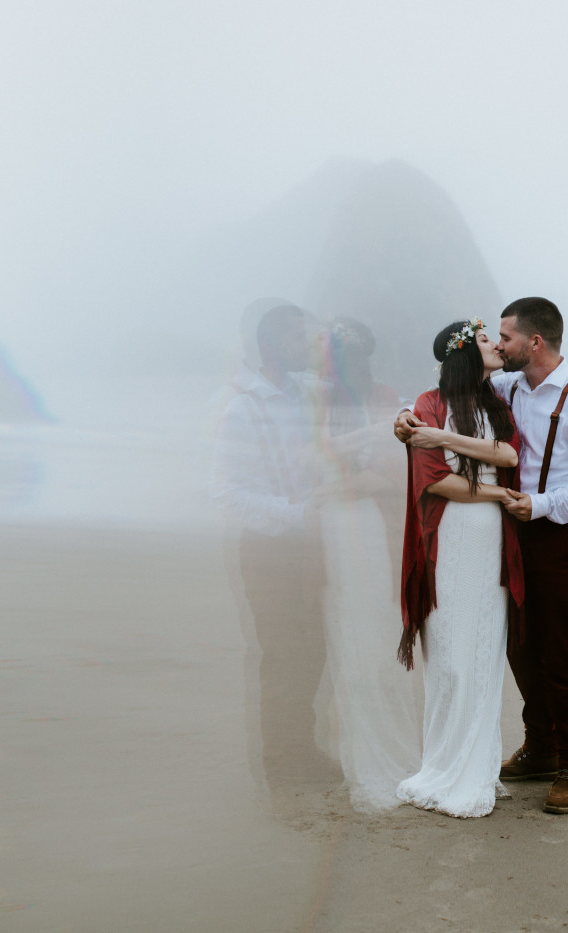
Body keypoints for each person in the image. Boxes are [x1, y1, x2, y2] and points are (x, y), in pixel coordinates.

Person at [395, 297, 568, 814]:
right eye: (493, 338)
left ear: (534, 343)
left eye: (507, 337)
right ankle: (540, 747)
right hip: (508, 534)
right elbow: (450, 394)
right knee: (518, 646)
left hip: (560, 534)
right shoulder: (507, 386)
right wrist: (404, 417)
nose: (498, 345)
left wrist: (538, 505)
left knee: (561, 652)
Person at [395, 318, 525, 818]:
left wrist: (442, 438)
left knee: (482, 648)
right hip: (450, 536)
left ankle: (477, 769)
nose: (497, 344)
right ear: (467, 351)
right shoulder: (429, 403)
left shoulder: (499, 401)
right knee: (449, 651)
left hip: (490, 538)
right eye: (488, 339)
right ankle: (444, 764)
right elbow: (435, 482)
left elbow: (510, 452)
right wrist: (494, 490)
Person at [211, 304, 339, 802]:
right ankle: (282, 767)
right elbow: (226, 494)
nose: (308, 347)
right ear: (271, 344)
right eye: (298, 338)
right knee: (283, 655)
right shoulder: (242, 406)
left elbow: (361, 399)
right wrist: (299, 515)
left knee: (313, 652)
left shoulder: (305, 391)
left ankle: (302, 751)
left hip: (310, 547)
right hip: (267, 549)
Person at [315, 318, 421, 812]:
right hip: (333, 522)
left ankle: (387, 742)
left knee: (377, 622)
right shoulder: (317, 400)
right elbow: (308, 464)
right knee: (345, 628)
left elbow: (405, 462)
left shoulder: (385, 397)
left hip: (373, 520)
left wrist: (364, 483)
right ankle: (349, 745)